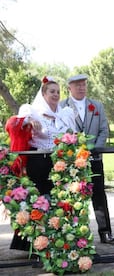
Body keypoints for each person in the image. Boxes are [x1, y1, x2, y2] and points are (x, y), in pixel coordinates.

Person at [7, 76, 76, 250]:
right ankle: (32, 242)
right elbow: (13, 125)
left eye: (58, 92)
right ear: (44, 94)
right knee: (38, 200)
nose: (56, 95)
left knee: (56, 201)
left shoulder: (64, 114)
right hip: (38, 162)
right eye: (52, 91)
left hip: (58, 163)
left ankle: (54, 239)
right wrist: (28, 122)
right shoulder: (33, 111)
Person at [60, 74, 114, 244]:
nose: (81, 88)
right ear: (69, 87)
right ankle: (73, 234)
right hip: (72, 159)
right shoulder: (62, 106)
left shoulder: (96, 105)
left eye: (83, 84)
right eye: (77, 85)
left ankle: (105, 232)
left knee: (99, 194)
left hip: (94, 157)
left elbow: (103, 130)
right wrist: (74, 150)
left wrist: (94, 149)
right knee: (72, 196)